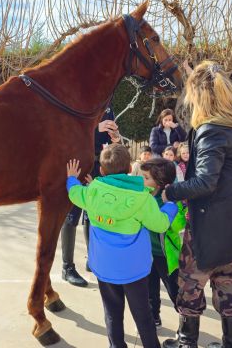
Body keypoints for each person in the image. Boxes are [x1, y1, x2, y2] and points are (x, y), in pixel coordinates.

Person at [161, 61, 232, 348]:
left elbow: (205, 182)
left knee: (191, 283)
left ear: (199, 95)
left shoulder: (212, 129)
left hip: (210, 222)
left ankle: (186, 342)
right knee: (226, 279)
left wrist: (169, 193)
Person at [66, 145, 178, 348]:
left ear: (101, 170)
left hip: (104, 268)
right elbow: (161, 224)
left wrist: (72, 178)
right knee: (143, 315)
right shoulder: (143, 198)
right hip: (133, 270)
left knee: (112, 313)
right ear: (129, 168)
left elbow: (74, 193)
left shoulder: (93, 191)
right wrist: (171, 205)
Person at [60, 106, 121, 287]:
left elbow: (113, 143)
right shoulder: (76, 102)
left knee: (93, 216)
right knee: (71, 217)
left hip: (98, 166)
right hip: (76, 165)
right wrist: (95, 127)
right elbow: (66, 132)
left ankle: (92, 259)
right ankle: (67, 267)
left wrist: (116, 138)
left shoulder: (108, 108)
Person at [140, 158, 187, 328]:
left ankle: (186, 325)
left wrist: (171, 205)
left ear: (159, 182)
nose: (142, 180)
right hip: (147, 254)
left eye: (146, 177)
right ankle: (154, 318)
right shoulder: (143, 196)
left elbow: (177, 225)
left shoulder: (172, 199)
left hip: (166, 257)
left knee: (175, 290)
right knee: (150, 290)